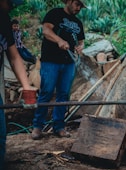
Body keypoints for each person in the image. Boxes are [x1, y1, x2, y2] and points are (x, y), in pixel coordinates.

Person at [31, 0, 86, 140]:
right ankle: (37, 127)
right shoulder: (55, 14)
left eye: (81, 6)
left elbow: (81, 41)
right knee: (47, 92)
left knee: (63, 94)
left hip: (69, 63)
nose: (79, 8)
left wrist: (80, 47)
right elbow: (46, 30)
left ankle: (59, 126)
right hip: (51, 61)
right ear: (69, 1)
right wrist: (59, 40)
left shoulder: (78, 23)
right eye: (77, 4)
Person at [0, 0, 37, 170]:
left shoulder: (4, 20)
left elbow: (14, 57)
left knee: (0, 138)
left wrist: (26, 87)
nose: (14, 4)